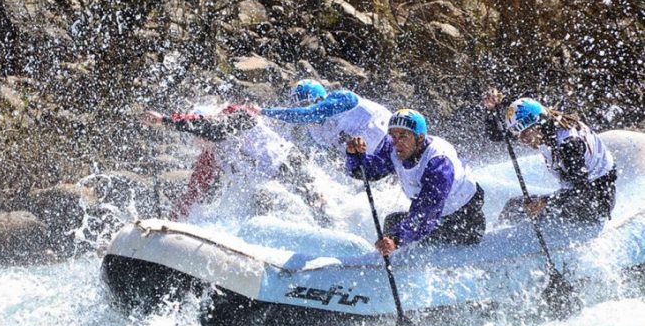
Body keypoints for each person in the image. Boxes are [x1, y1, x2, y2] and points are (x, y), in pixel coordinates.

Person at [142, 104, 330, 224]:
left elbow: (212, 127)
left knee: (317, 206)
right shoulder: (211, 154)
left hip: (289, 164)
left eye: (198, 136)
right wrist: (171, 222)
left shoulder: (237, 115)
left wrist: (164, 120)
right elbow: (194, 191)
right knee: (258, 218)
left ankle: (330, 227)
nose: (198, 142)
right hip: (266, 185)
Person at [346, 109, 486, 256]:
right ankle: (396, 263)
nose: (396, 142)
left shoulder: (439, 163)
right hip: (437, 217)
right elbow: (369, 172)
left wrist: (395, 239)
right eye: (393, 135)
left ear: (419, 138)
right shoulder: (393, 147)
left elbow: (427, 212)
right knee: (392, 222)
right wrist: (355, 156)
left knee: (398, 232)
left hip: (464, 220)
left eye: (403, 136)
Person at [483, 91, 617, 225]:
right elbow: (497, 135)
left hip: (597, 202)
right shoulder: (544, 127)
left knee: (540, 212)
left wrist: (545, 202)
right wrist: (491, 110)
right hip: (577, 195)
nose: (523, 140)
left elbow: (582, 191)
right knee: (513, 207)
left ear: (538, 125)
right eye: (519, 135)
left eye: (525, 134)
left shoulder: (569, 145)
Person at [261, 79, 392, 156]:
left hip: (392, 140)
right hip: (374, 160)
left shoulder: (343, 98)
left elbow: (307, 114)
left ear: (319, 98)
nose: (304, 111)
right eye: (299, 106)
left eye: (306, 104)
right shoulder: (315, 133)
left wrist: (263, 111)